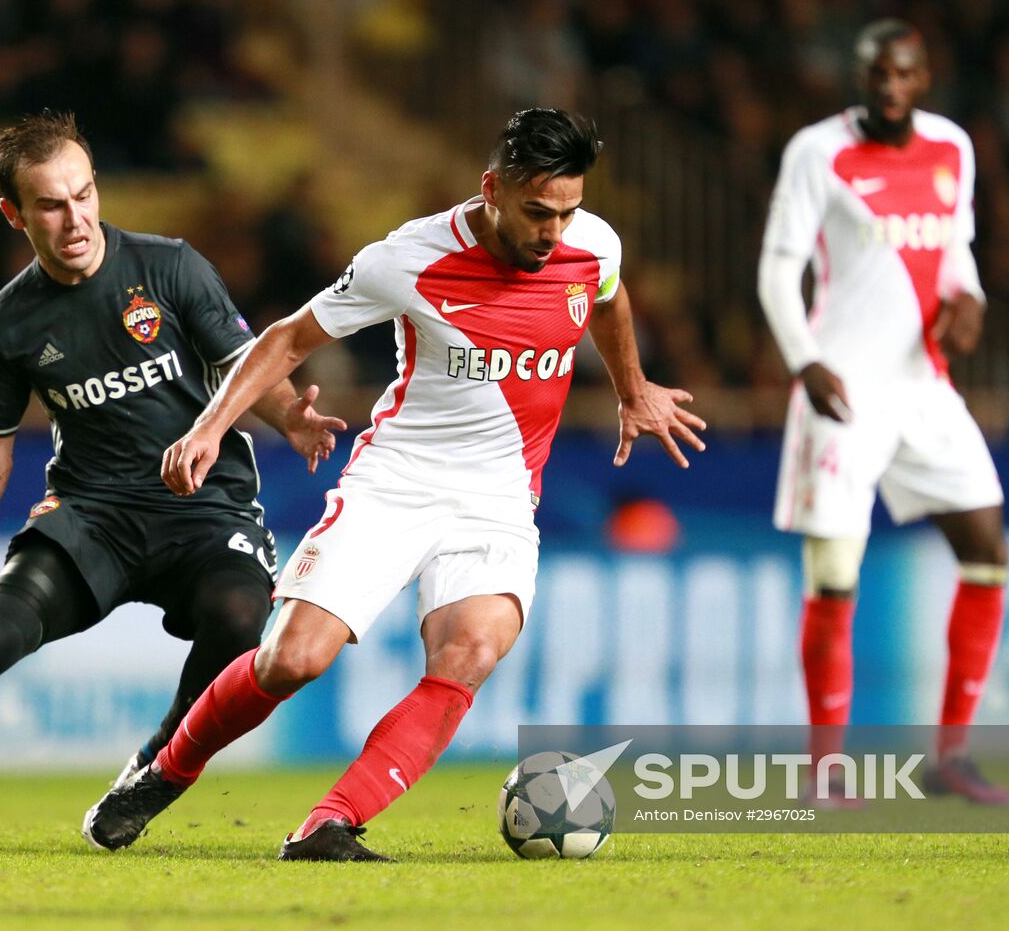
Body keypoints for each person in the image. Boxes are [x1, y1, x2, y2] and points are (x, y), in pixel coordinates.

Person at [82, 108, 707, 860]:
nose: (553, 232)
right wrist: (211, 427)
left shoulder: (591, 244)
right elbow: (287, 338)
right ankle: (162, 771)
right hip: (398, 479)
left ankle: (329, 823)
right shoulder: (408, 259)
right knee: (292, 659)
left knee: (470, 652)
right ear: (492, 190)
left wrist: (632, 388)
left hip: (501, 498)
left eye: (566, 212)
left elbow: (608, 297)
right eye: (537, 212)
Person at [0, 111, 346, 846]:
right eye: (50, 203)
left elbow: (244, 364)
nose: (75, 217)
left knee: (241, 623)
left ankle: (150, 772)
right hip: (91, 521)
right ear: (14, 213)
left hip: (204, 512)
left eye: (84, 194)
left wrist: (290, 417)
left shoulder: (170, 268)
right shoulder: (9, 324)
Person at [757, 20, 1009, 804]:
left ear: (923, 77)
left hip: (924, 387)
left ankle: (952, 755)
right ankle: (824, 768)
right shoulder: (816, 151)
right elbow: (778, 268)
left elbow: (955, 250)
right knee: (835, 578)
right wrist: (804, 360)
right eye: (878, 76)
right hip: (843, 390)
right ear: (860, 78)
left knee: (988, 550)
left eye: (904, 75)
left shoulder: (952, 147)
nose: (891, 89)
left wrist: (970, 298)